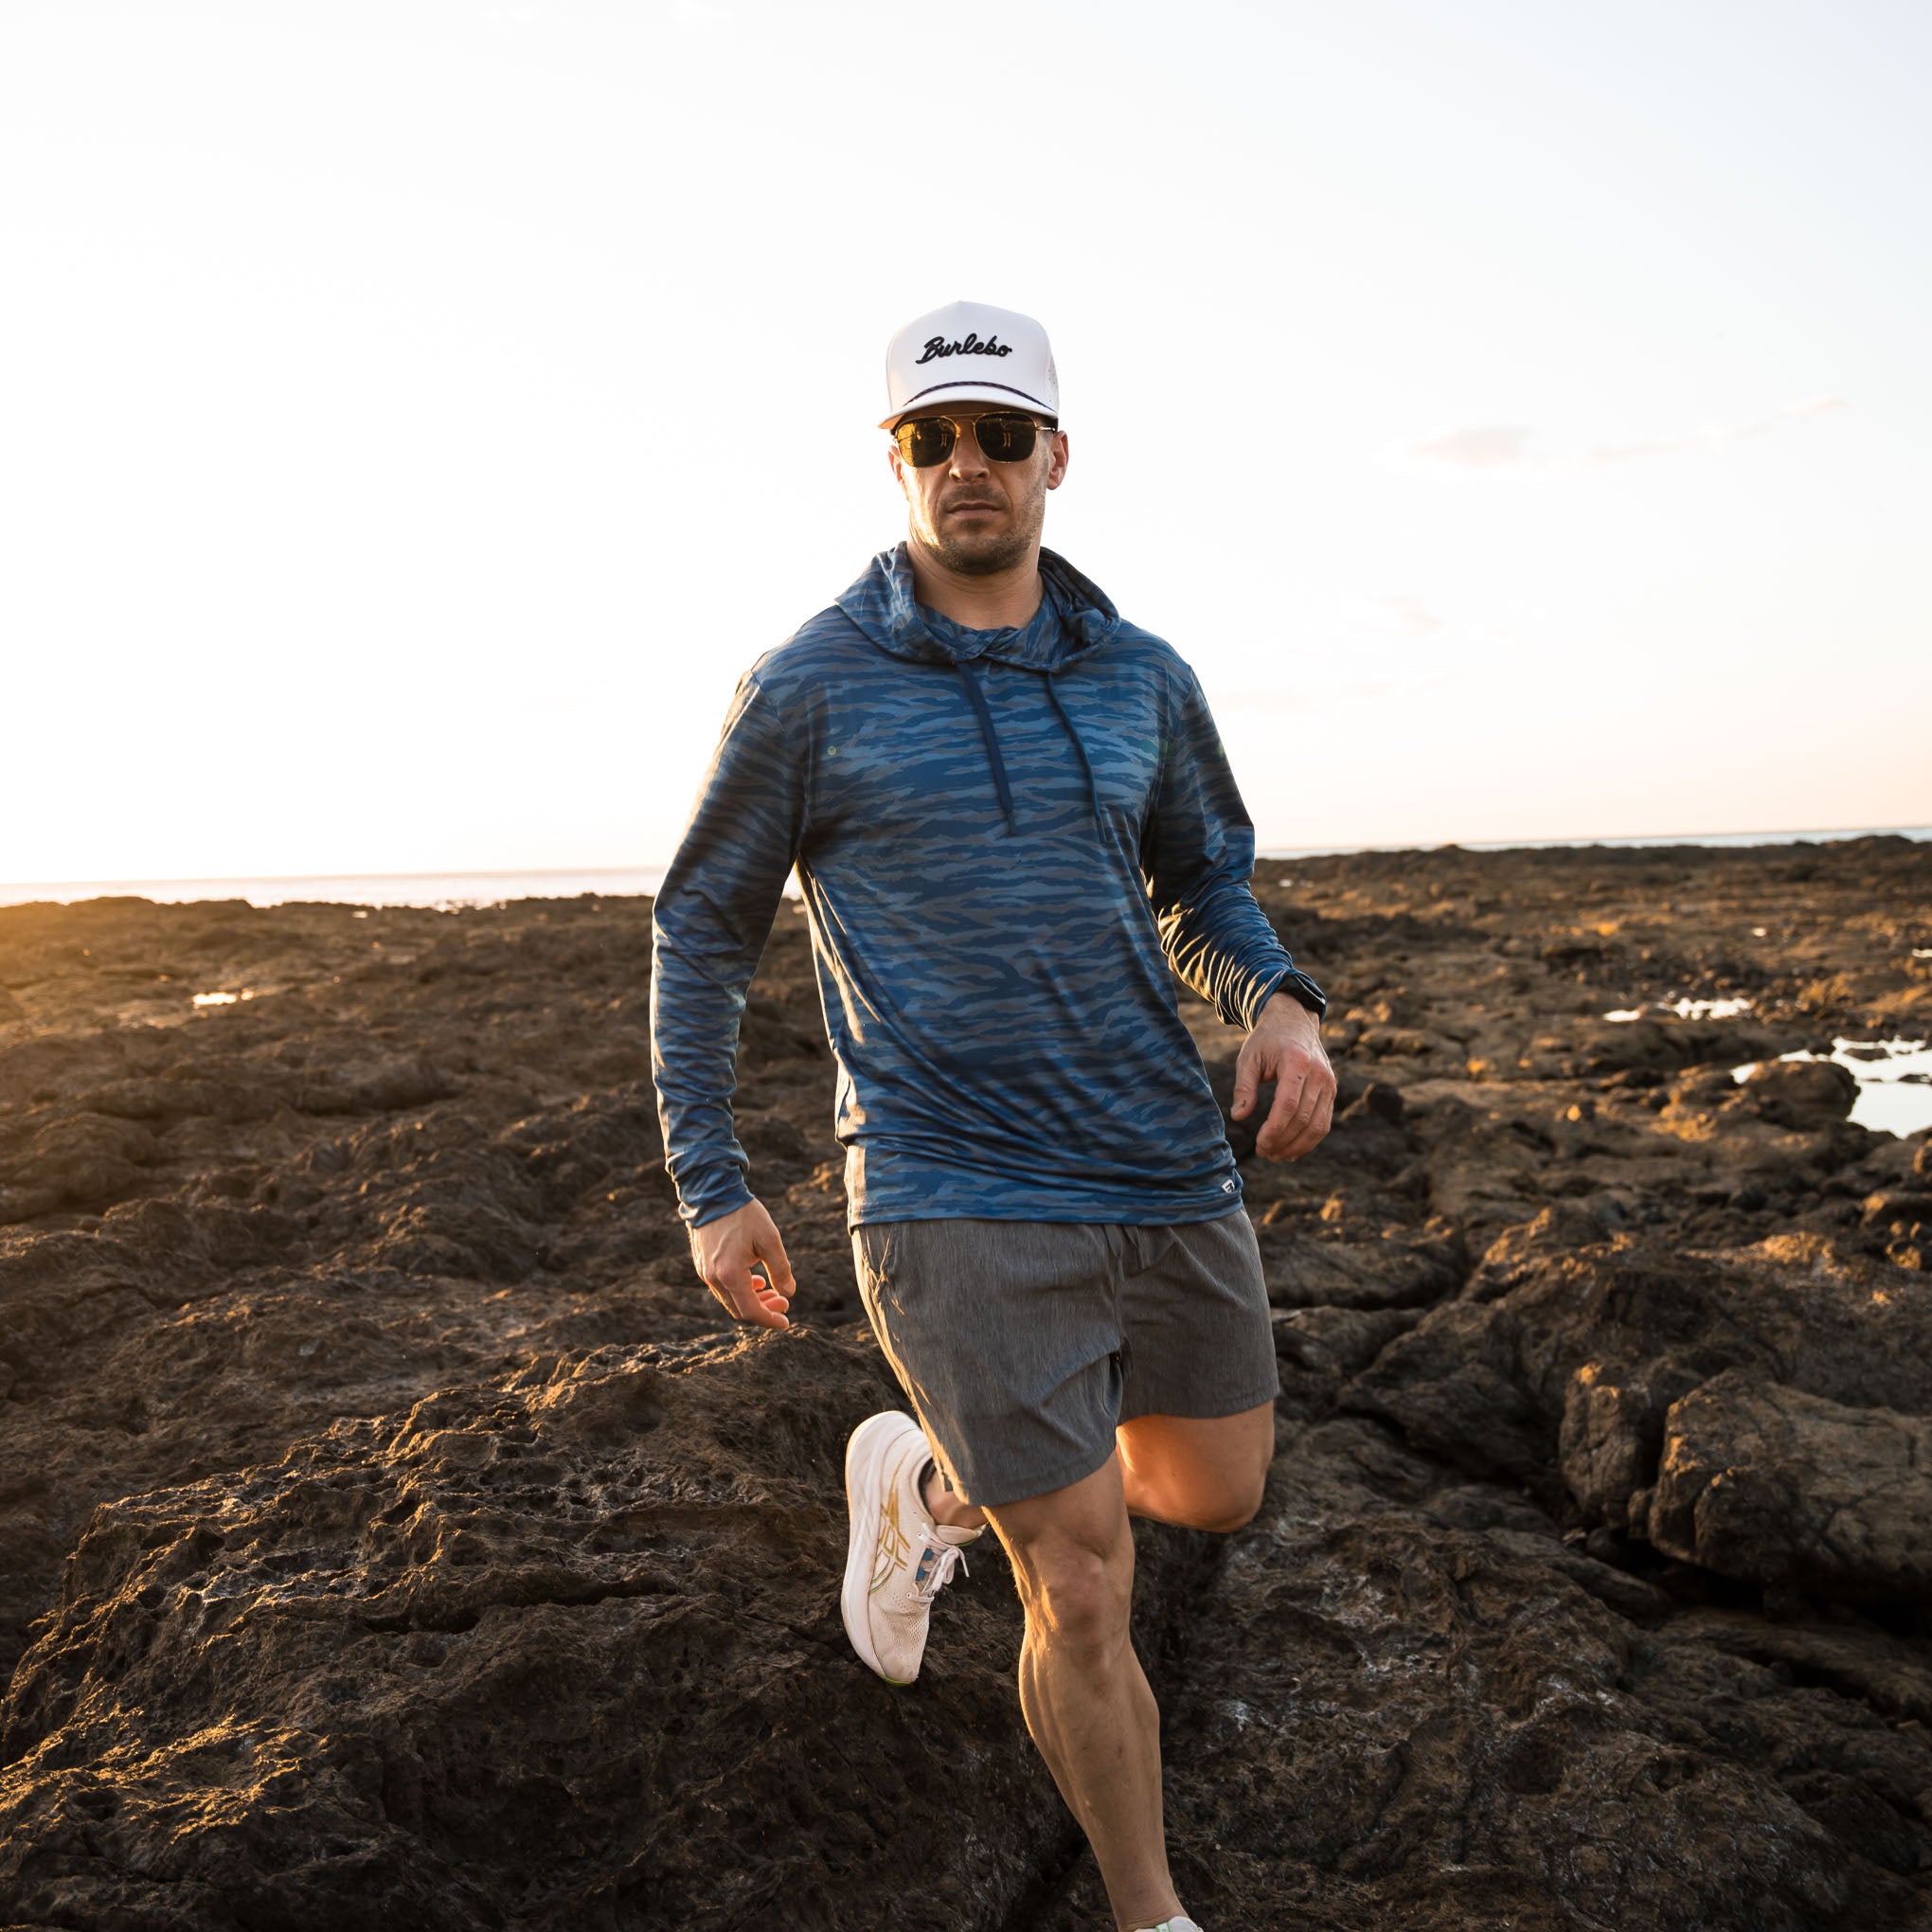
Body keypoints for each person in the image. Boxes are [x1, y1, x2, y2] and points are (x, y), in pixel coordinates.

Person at [650, 299, 1334, 1932]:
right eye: (932, 437)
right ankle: (1151, 1915)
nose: (969, 463)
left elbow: (1203, 882)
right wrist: (710, 1181)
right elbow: (703, 931)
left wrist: (1278, 1001)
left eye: (1001, 435)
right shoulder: (805, 686)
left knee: (1218, 1490)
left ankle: (936, 1486)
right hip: (947, 1183)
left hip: (1160, 1161)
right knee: (1081, 1582)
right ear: (894, 462)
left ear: (1056, 458)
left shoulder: (1141, 677)